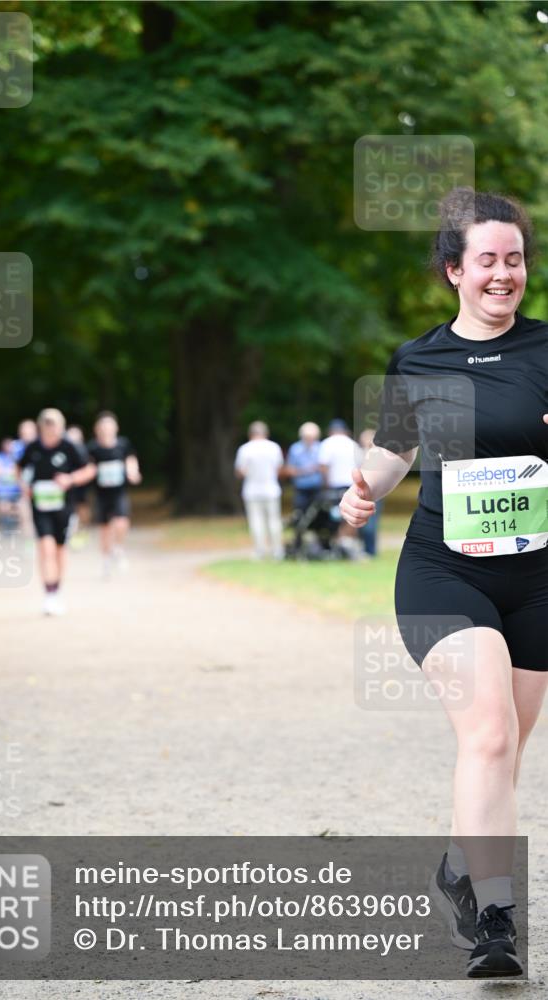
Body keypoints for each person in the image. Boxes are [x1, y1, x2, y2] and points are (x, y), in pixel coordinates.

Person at [339, 188, 547, 978]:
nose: (503, 274)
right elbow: (395, 448)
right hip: (443, 569)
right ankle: (493, 920)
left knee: (505, 745)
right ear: (454, 270)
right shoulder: (417, 359)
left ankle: (461, 865)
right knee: (487, 733)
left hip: (536, 578)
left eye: (514, 259)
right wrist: (363, 489)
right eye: (486, 259)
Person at [17, 408, 95, 615]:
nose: (51, 430)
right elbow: (19, 468)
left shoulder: (70, 447)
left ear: (61, 427)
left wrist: (70, 479)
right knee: (46, 547)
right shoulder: (33, 448)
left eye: (55, 426)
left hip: (64, 506)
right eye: (47, 426)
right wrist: (23, 486)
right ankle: (49, 593)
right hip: (40, 506)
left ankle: (57, 589)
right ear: (41, 427)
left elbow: (89, 469)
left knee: (60, 550)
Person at [86, 412, 141, 576]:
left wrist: (133, 472)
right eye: (103, 427)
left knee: (121, 522)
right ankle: (105, 559)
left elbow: (131, 460)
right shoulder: (93, 448)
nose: (106, 430)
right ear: (97, 429)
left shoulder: (123, 445)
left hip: (119, 492)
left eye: (109, 426)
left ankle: (119, 548)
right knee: (104, 529)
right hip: (101, 494)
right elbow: (88, 466)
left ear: (115, 428)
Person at [234, 421, 284, 560]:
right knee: (274, 521)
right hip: (271, 489)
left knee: (256, 521)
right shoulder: (273, 447)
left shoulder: (245, 449)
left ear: (250, 434)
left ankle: (260, 550)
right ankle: (277, 550)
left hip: (252, 490)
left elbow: (240, 471)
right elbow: (278, 468)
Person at [318, 419, 363, 558]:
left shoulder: (327, 443)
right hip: (352, 485)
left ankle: (337, 544)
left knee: (334, 516)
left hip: (334, 486)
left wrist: (325, 484)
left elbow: (323, 466)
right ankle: (348, 544)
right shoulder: (353, 444)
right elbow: (361, 466)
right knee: (351, 516)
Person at [284, 422, 323, 512]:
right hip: (301, 488)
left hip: (318, 488)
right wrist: (306, 470)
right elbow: (289, 470)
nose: (309, 440)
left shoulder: (321, 447)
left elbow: (324, 468)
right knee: (299, 512)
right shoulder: (295, 448)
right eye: (307, 437)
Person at [356, 428, 383, 557]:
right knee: (360, 522)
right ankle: (363, 548)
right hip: (361, 492)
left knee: (371, 524)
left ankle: (370, 550)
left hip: (375, 493)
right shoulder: (358, 453)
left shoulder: (380, 456)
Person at [65, 424, 92, 549]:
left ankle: (82, 531)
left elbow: (89, 469)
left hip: (80, 486)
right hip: (66, 487)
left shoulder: (84, 451)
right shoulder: (63, 450)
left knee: (82, 508)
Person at [0, 438, 22, 534]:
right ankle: (5, 529)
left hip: (16, 489)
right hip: (2, 490)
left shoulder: (17, 458)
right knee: (3, 509)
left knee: (16, 509)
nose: (9, 448)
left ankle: (15, 529)